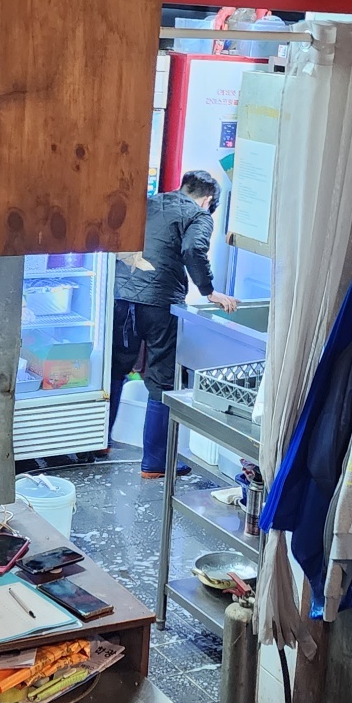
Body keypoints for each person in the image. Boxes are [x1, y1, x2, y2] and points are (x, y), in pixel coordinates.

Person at [110, 170, 239, 478]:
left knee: (114, 370)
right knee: (161, 379)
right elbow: (193, 249)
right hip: (161, 304)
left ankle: (99, 441)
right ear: (208, 200)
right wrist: (208, 291)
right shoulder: (199, 215)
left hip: (122, 297)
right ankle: (155, 462)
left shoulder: (151, 202)